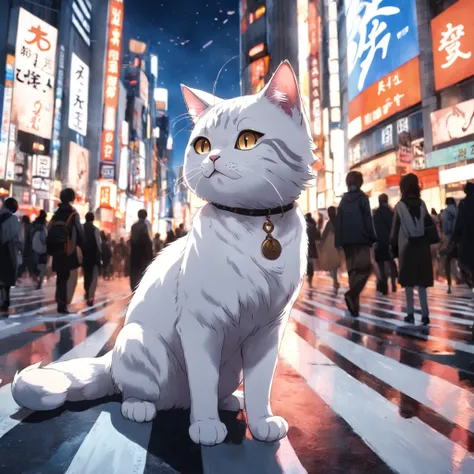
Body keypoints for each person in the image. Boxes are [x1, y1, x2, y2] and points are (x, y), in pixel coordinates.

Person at [390, 174, 439, 326]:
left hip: (407, 248)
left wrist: (393, 248)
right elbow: (429, 225)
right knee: (422, 284)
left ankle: (410, 314)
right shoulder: (422, 204)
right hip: (422, 247)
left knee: (409, 284)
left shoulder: (399, 206)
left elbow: (394, 230)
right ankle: (425, 314)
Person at [335, 171, 377, 316]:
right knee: (365, 268)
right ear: (360, 182)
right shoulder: (363, 198)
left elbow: (339, 221)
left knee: (353, 271)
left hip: (347, 241)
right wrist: (372, 237)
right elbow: (368, 220)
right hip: (362, 239)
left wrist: (339, 242)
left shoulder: (344, 200)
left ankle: (354, 308)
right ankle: (352, 295)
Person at [48, 188, 84, 314]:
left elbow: (49, 229)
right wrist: (80, 247)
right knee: (65, 276)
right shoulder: (73, 214)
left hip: (55, 248)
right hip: (68, 249)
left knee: (60, 276)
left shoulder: (56, 213)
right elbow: (79, 233)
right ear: (71, 198)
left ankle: (59, 300)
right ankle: (62, 304)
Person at [451, 182, 474, 295]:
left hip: (468, 237)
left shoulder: (464, 204)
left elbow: (459, 222)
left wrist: (455, 237)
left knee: (469, 263)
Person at [373, 194, 398, 295]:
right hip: (389, 242)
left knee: (381, 265)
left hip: (379, 242)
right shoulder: (391, 212)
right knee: (391, 263)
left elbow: (373, 228)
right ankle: (393, 282)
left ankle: (384, 284)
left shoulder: (376, 213)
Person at [0, 198, 21, 313]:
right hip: (8, 250)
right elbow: (17, 239)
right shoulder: (13, 220)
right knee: (6, 277)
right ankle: (5, 301)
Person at [130, 209, 153, 291]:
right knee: (142, 272)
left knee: (134, 272)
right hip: (143, 254)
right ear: (145, 216)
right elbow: (149, 241)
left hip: (134, 253)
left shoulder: (133, 226)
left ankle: (133, 288)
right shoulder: (146, 226)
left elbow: (131, 240)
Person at [319, 206, 341, 291]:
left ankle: (335, 280)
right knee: (335, 265)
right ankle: (335, 280)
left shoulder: (329, 223)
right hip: (338, 245)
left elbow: (324, 235)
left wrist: (321, 243)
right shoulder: (339, 222)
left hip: (330, 245)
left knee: (331, 265)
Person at [82, 212, 101, 306]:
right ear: (93, 219)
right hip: (93, 255)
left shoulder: (81, 228)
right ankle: (90, 295)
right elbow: (98, 244)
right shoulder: (95, 229)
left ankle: (86, 290)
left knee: (86, 274)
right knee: (93, 276)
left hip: (83, 255)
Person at [441, 197, 458, 293]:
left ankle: (449, 284)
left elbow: (445, 228)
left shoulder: (445, 212)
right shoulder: (458, 210)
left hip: (449, 239)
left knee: (447, 261)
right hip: (459, 239)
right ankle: (464, 279)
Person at [30, 210, 48, 290]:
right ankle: (39, 282)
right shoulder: (44, 226)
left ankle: (35, 279)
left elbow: (30, 236)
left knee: (34, 266)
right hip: (43, 250)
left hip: (34, 249)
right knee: (42, 267)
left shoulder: (34, 224)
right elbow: (44, 239)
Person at [305, 213, 319, 288]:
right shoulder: (313, 226)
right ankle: (310, 280)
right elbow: (318, 236)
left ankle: (308, 278)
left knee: (307, 263)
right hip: (311, 247)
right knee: (310, 264)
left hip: (305, 247)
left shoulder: (303, 225)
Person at [17, 215, 33, 282]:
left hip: (24, 247)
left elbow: (21, 238)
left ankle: (19, 275)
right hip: (27, 248)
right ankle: (33, 275)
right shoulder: (29, 226)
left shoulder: (23, 226)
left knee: (23, 262)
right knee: (26, 262)